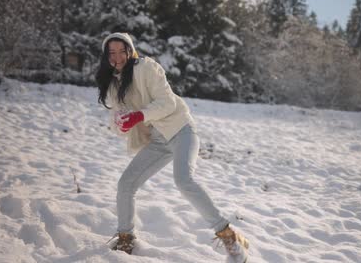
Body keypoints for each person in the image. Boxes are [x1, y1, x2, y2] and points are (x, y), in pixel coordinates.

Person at [96, 32, 249, 262]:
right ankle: (126, 239)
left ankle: (229, 238)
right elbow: (117, 123)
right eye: (112, 53)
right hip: (157, 142)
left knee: (183, 180)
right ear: (106, 57)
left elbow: (167, 103)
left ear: (130, 51)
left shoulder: (147, 68)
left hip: (181, 130)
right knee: (126, 183)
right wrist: (121, 124)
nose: (118, 57)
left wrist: (139, 115)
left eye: (122, 51)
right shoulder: (114, 84)